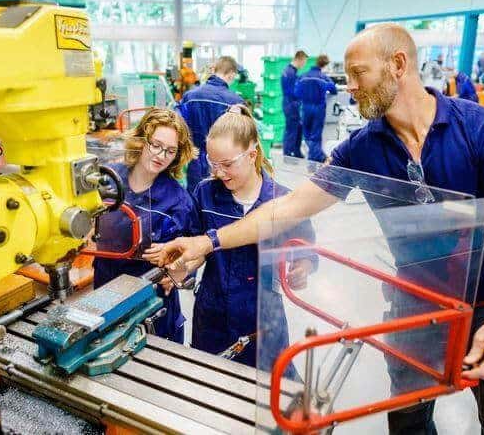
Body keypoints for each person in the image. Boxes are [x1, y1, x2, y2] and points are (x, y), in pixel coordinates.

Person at [159, 23, 484, 435]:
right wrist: (208, 240)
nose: (349, 87)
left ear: (398, 65)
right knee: (408, 418)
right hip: (413, 306)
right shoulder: (364, 147)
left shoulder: (481, 129)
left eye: (358, 74)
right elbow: (288, 206)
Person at [179, 104, 316, 369]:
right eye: (212, 163)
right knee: (210, 381)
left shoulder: (282, 200)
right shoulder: (206, 193)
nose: (219, 173)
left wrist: (303, 265)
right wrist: (183, 267)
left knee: (268, 387)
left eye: (227, 164)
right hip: (212, 312)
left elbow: (305, 243)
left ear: (252, 155)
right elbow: (194, 243)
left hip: (262, 316)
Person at [92, 108, 197, 344]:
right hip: (106, 292)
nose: (161, 155)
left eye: (170, 151)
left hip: (152, 302)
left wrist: (176, 271)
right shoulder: (108, 180)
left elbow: (192, 258)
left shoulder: (179, 200)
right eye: (156, 145)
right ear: (141, 141)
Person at [177, 56, 244, 193]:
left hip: (194, 159)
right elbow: (243, 137)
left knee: (195, 198)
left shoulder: (190, 96)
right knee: (220, 201)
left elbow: (176, 123)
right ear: (231, 74)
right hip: (223, 164)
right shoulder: (235, 101)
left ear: (214, 70)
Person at [294, 54, 337, 162]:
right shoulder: (323, 77)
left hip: (306, 108)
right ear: (325, 65)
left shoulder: (303, 76)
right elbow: (333, 89)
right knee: (316, 134)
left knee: (307, 133)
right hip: (319, 108)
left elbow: (296, 92)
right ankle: (318, 156)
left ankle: (315, 155)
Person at [281, 50, 308, 158]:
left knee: (298, 127)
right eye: (304, 62)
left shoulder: (290, 71)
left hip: (291, 103)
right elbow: (292, 92)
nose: (304, 64)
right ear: (299, 59)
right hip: (291, 104)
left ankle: (296, 152)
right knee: (291, 129)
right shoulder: (290, 73)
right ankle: (288, 154)